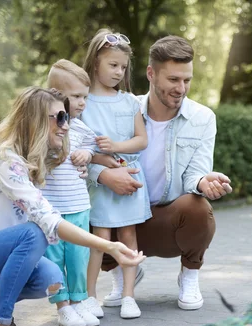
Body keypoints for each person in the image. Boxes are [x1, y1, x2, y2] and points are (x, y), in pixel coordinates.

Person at [0, 87, 146, 326]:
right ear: (34, 120)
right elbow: (49, 221)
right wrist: (111, 247)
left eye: (66, 117)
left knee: (52, 278)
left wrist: (103, 167)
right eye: (58, 117)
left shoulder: (30, 161)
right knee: (35, 233)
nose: (65, 125)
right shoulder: (5, 161)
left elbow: (80, 160)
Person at [88, 35, 233, 311]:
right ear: (151, 74)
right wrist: (103, 175)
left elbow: (195, 174)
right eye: (173, 80)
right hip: (120, 215)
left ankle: (189, 275)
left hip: (166, 220)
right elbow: (84, 155)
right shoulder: (122, 107)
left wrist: (204, 182)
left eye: (186, 80)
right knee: (82, 211)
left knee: (198, 209)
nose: (181, 88)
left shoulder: (203, 118)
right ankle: (122, 275)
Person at [81, 29, 151, 319]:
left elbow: (141, 140)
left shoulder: (129, 102)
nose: (118, 72)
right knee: (99, 238)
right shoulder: (83, 102)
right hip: (100, 183)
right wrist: (102, 158)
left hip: (131, 175)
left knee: (128, 234)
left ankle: (129, 297)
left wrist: (116, 146)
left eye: (123, 67)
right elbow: (78, 147)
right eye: (112, 65)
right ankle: (89, 297)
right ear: (96, 61)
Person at [42, 59, 104, 326]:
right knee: (54, 260)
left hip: (79, 205)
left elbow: (92, 146)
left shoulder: (81, 128)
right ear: (56, 95)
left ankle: (79, 301)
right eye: (76, 96)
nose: (82, 103)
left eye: (85, 97)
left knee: (79, 257)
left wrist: (88, 155)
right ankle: (62, 307)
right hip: (52, 210)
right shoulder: (45, 129)